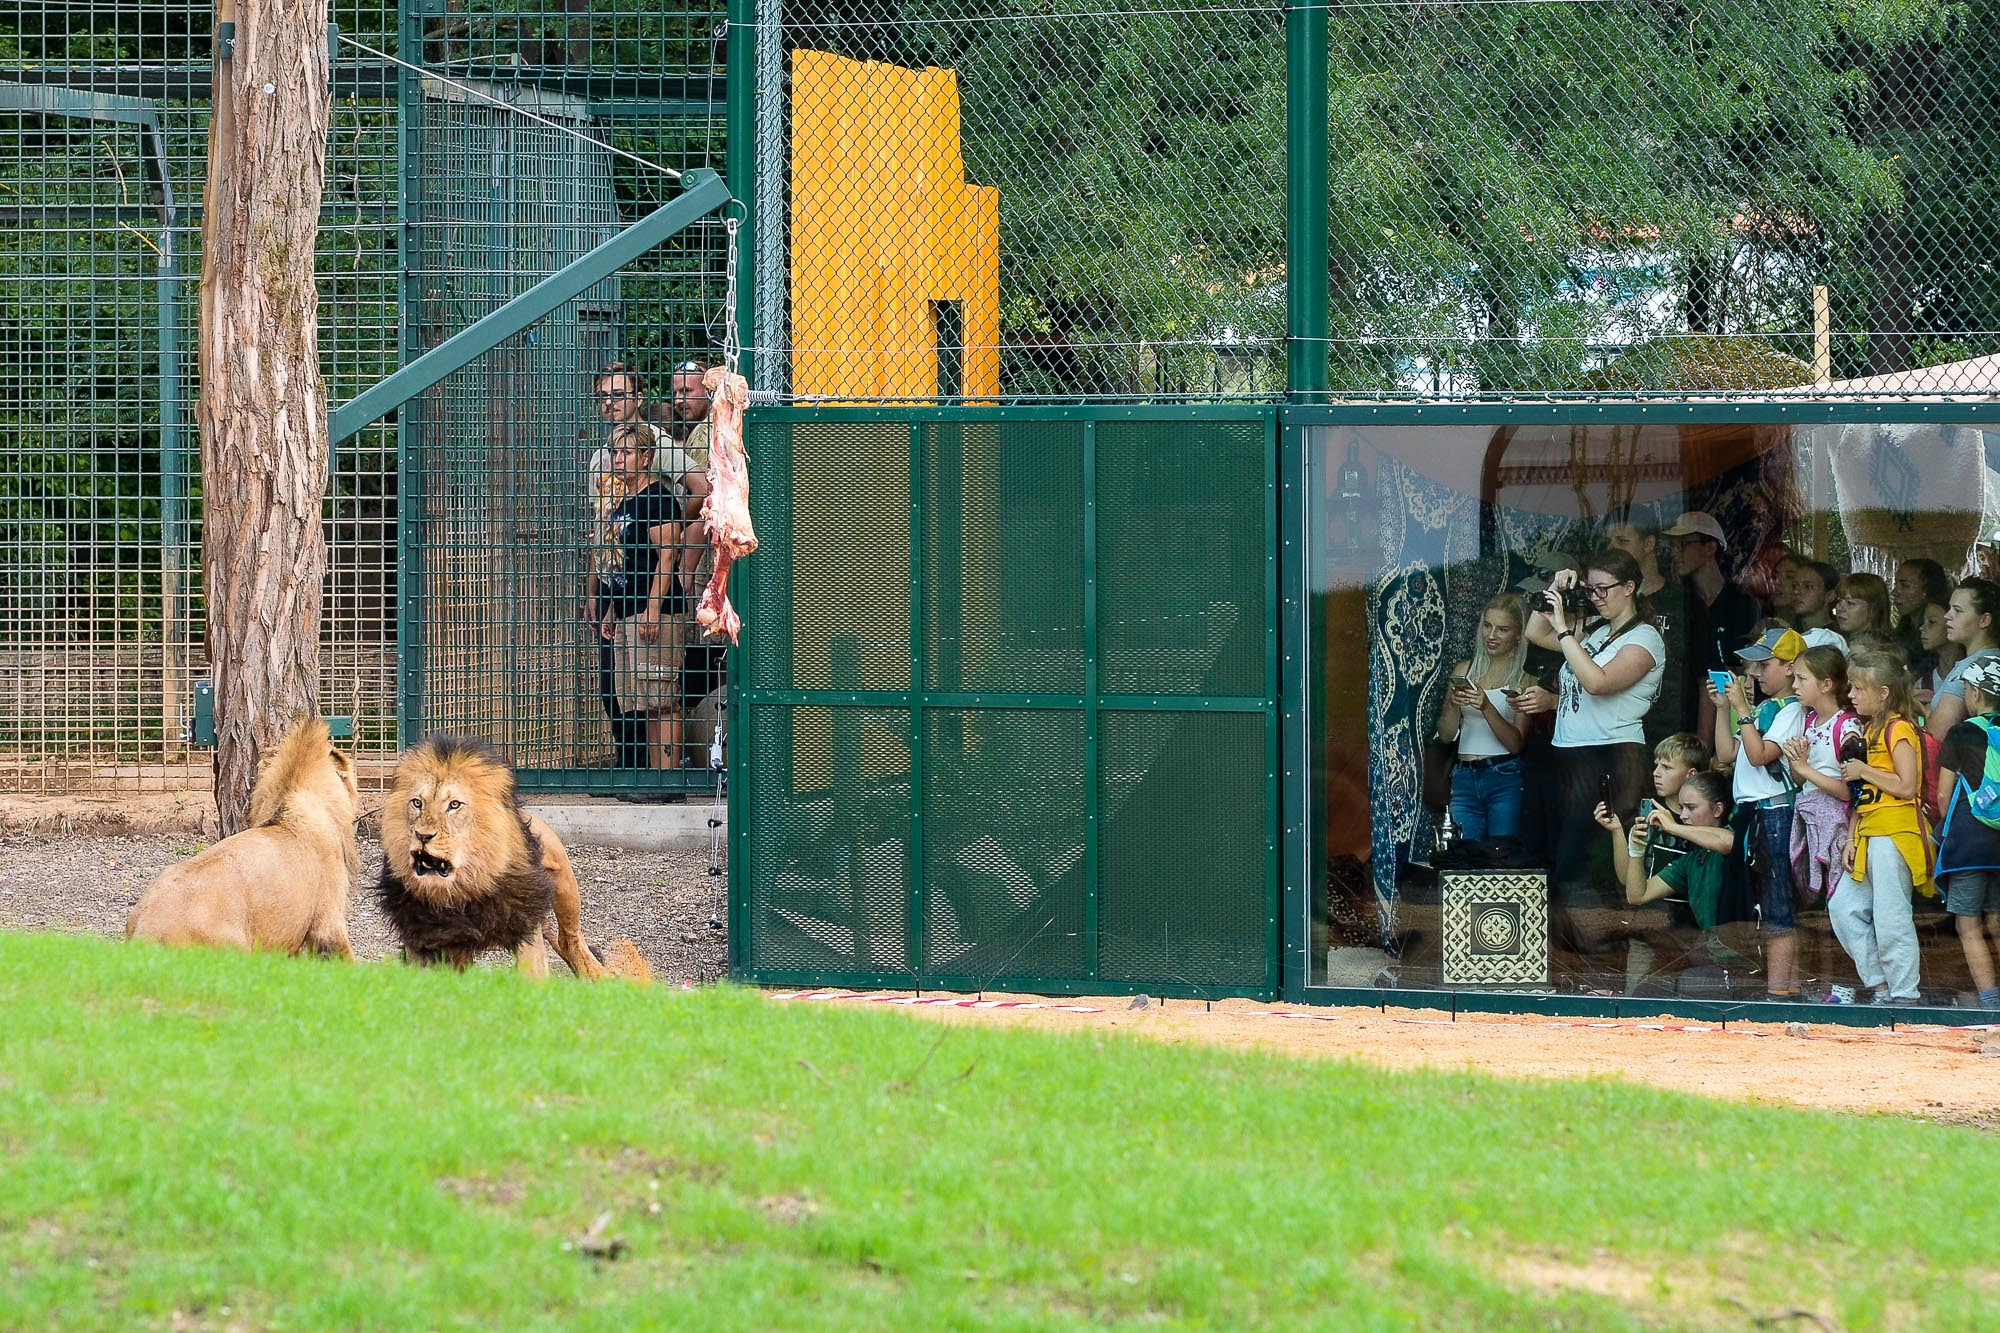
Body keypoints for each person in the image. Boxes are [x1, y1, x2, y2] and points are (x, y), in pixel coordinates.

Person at [1515, 549, 1666, 957]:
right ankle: (1570, 958)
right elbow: (1535, 632)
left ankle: (1603, 959)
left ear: (1629, 587)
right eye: (1590, 589)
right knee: (1561, 860)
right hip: (1570, 755)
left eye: (1603, 589)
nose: (1596, 597)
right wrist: (1555, 589)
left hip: (1610, 757)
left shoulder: (1645, 638)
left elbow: (1598, 682)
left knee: (1587, 864)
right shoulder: (1599, 631)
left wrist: (1566, 629)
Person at [1710, 627, 1807, 1000]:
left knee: (1777, 906)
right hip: (1756, 814)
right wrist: (1724, 709)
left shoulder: (1792, 710)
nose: (1755, 673)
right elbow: (1726, 754)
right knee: (1766, 903)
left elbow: (1758, 755)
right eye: (1754, 666)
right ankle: (1786, 990)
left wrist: (1740, 709)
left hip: (1775, 813)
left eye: (1765, 665)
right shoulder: (1766, 708)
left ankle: (1778, 995)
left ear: (1790, 667)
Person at [587, 422, 686, 774]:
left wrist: (653, 609)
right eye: (615, 452)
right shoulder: (620, 502)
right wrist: (612, 609)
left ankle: (667, 780)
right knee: (640, 700)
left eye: (627, 452)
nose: (618, 459)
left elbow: (668, 556)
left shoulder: (658, 499)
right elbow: (619, 561)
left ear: (645, 457)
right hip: (627, 610)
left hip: (655, 610)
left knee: (662, 698)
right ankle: (652, 778)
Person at [1833, 650, 1929, 1005]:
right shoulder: (1870, 728)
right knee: (1843, 908)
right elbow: (1865, 795)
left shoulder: (1899, 728)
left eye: (1858, 688)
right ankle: (1881, 985)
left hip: (1895, 833)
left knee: (1891, 917)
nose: (1852, 695)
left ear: (1884, 692)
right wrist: (1851, 837)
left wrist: (1863, 769)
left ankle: (1904, 994)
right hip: (1869, 831)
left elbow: (1907, 786)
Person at [1595, 769, 1745, 974]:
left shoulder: (1735, 838)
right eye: (1681, 808)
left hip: (1745, 962)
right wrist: (1635, 850)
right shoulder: (1691, 860)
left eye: (1691, 807)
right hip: (1713, 959)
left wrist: (1673, 828)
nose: (1683, 816)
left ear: (1718, 809)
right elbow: (1637, 895)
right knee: (1649, 989)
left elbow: (1728, 842)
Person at [1932, 657, 2000, 1010]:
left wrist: (1950, 827)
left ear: (1975, 692)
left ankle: (1990, 1001)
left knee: (1969, 924)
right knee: (1998, 920)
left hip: (1968, 845)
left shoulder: (1961, 733)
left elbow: (1944, 795)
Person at [1435, 594, 1529, 844]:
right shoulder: (1464, 670)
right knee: (1461, 854)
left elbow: (1516, 744)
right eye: (1487, 626)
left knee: (1502, 855)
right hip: (1464, 776)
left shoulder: (1524, 679)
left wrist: (1486, 707)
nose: (1492, 635)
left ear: (1518, 635)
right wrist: (1454, 705)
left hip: (1504, 775)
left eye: (1502, 629)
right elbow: (1445, 735)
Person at [1605, 510, 1691, 742]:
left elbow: (1704, 678)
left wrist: (1703, 743)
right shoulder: (1604, 603)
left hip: (1671, 735)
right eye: (1608, 541)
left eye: (1622, 540)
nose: (1612, 547)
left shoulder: (1683, 602)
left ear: (1649, 544)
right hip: (1615, 732)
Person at [1665, 511, 1761, 679]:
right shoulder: (1677, 599)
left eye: (1682, 544)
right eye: (1672, 546)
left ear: (1710, 548)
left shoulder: (1740, 602)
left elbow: (1742, 665)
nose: (1674, 552)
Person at [1927, 577, 2000, 741]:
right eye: (1949, 608)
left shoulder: (1972, 668)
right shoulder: (1992, 658)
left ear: (1984, 620)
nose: (1947, 616)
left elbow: (1936, 735)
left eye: (1958, 611)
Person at [1892, 558, 1952, 647]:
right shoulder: (1905, 631)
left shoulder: (1934, 641)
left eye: (1905, 586)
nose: (1894, 592)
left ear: (1927, 590)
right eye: (1895, 584)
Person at [1912, 599, 1959, 709]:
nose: (1921, 628)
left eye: (1932, 622)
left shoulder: (1971, 676)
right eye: (1923, 621)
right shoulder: (1922, 685)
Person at [1832, 572, 1894, 641]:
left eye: (1850, 603)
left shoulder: (1883, 647)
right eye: (1839, 601)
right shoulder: (1835, 640)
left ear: (1873, 610)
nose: (1839, 608)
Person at [1789, 560, 1840, 633]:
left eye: (1807, 586)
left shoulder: (1839, 637)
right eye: (1794, 586)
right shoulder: (1786, 632)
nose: (1796, 591)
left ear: (1829, 596)